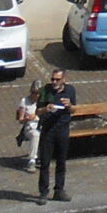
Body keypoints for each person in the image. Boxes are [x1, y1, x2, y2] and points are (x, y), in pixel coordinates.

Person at [35, 70, 77, 203]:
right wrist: (46, 109)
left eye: (57, 80)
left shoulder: (70, 90)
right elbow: (37, 111)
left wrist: (69, 106)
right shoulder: (45, 91)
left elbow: (74, 109)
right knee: (45, 162)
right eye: (53, 79)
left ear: (64, 79)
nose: (54, 82)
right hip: (48, 130)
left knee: (61, 161)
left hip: (62, 129)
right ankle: (43, 192)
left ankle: (59, 190)